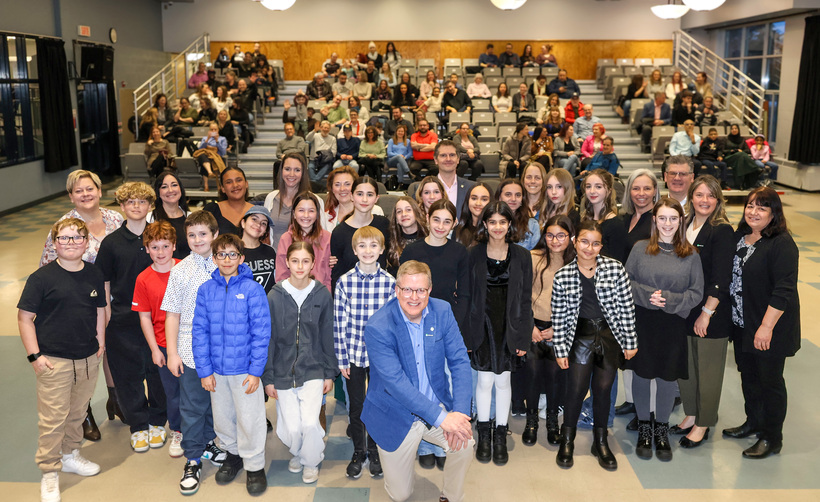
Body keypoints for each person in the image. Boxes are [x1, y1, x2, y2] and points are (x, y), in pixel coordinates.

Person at [361, 258, 473, 501]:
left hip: (436, 405)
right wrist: (443, 419)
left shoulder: (442, 311)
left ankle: (450, 497)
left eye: (421, 290)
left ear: (429, 290)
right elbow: (396, 384)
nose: (414, 297)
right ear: (396, 290)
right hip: (395, 413)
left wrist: (460, 415)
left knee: (465, 443)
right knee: (401, 494)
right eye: (407, 289)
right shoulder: (378, 327)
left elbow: (460, 362)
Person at [19, 218, 107, 502]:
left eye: (77, 237)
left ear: (86, 241)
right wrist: (35, 356)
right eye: (65, 238)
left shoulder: (94, 273)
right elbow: (24, 318)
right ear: (54, 243)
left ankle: (70, 454)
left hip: (87, 357)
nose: (71, 243)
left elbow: (99, 311)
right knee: (53, 418)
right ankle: (49, 471)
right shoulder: (41, 278)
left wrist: (100, 342)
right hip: (53, 360)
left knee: (78, 412)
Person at [551, 220, 638, 471]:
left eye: (596, 243)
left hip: (609, 338)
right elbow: (559, 316)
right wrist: (560, 349)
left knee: (603, 389)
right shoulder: (563, 275)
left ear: (601, 246)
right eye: (585, 242)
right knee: (576, 389)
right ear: (575, 241)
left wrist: (630, 342)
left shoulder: (616, 269)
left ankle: (600, 441)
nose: (589, 248)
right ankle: (567, 439)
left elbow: (626, 309)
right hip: (580, 337)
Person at [625, 197, 704, 462]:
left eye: (673, 218)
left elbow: (696, 293)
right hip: (643, 320)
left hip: (673, 322)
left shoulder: (691, 254)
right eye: (662, 218)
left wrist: (669, 300)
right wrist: (648, 296)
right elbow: (626, 282)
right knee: (642, 373)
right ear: (654, 221)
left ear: (681, 221)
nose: (667, 223)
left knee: (667, 377)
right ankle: (644, 427)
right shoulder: (640, 249)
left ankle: (661, 428)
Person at [723, 187, 800, 458]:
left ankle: (771, 437)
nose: (754, 212)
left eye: (762, 208)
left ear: (773, 213)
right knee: (749, 377)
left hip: (769, 326)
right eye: (750, 206)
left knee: (770, 381)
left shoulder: (781, 243)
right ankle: (753, 422)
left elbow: (784, 290)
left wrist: (766, 327)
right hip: (742, 323)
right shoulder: (739, 237)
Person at [192, 234, 271, 495]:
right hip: (216, 371)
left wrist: (255, 371)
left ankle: (255, 465)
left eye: (233, 254)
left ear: (241, 257)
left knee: (251, 419)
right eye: (221, 255)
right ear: (214, 258)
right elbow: (199, 331)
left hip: (245, 370)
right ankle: (233, 455)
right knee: (223, 419)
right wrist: (205, 371)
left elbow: (262, 333)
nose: (227, 259)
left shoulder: (252, 289)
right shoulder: (205, 290)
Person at [95, 182, 168, 453]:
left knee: (158, 370)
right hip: (124, 318)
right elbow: (104, 283)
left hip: (159, 318)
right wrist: (108, 319)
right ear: (122, 207)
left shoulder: (159, 238)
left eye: (141, 201)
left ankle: (159, 420)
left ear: (150, 206)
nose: (136, 206)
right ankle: (138, 424)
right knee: (128, 375)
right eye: (130, 202)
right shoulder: (112, 243)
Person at [161, 211, 228, 495]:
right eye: (192, 235)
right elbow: (172, 315)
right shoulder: (179, 271)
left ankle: (210, 442)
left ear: (215, 235)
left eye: (203, 234)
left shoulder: (228, 265)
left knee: (218, 402)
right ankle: (192, 458)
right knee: (193, 404)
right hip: (190, 348)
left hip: (225, 347)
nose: (198, 239)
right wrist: (173, 352)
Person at [666, 176, 734, 448]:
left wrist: (707, 312)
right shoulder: (685, 226)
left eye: (710, 196)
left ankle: (703, 423)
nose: (704, 200)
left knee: (707, 371)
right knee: (687, 368)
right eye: (699, 195)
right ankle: (691, 414)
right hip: (685, 309)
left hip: (710, 312)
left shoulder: (721, 230)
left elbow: (721, 276)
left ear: (718, 200)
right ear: (691, 198)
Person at [465, 201, 533, 465]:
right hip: (481, 327)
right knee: (483, 382)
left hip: (510, 328)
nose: (497, 227)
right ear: (484, 224)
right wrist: (468, 335)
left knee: (504, 381)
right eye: (492, 222)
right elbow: (468, 296)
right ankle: (484, 431)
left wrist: (524, 336)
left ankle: (501, 432)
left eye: (502, 222)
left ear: (509, 225)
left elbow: (525, 299)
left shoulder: (521, 255)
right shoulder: (473, 254)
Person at [265, 241, 336, 484]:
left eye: (305, 261)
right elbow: (269, 339)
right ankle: (299, 451)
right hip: (282, 370)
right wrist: (268, 377)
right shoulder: (275, 295)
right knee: (292, 428)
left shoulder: (321, 294)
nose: (300, 266)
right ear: (287, 262)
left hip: (313, 368)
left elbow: (328, 335)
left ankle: (311, 460)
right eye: (295, 261)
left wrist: (329, 372)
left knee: (309, 422)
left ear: (313, 264)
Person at [333, 226, 397, 479]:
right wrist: (342, 358)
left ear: (382, 250)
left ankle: (376, 449)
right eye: (362, 246)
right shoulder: (344, 282)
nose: (368, 251)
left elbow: (394, 324)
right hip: (354, 354)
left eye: (373, 246)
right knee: (357, 405)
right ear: (354, 250)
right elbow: (339, 324)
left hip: (382, 356)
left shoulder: (390, 283)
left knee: (380, 403)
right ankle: (359, 450)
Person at [133, 220, 183, 460]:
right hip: (163, 344)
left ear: (174, 246)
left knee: (196, 390)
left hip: (192, 342)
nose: (160, 252)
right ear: (146, 248)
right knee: (172, 393)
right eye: (154, 247)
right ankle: (178, 431)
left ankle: (204, 430)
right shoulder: (143, 279)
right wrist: (155, 349)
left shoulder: (186, 270)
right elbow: (144, 318)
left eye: (165, 246)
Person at [522, 215, 573, 448]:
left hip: (560, 329)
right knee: (531, 376)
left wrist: (559, 329)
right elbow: (521, 296)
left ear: (570, 237)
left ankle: (553, 421)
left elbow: (579, 302)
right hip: (533, 327)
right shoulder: (533, 258)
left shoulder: (576, 262)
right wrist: (529, 326)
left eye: (561, 235)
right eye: (550, 235)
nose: (555, 240)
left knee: (555, 378)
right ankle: (531, 421)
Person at [402, 199, 470, 331]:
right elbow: (403, 290)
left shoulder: (460, 252)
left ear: (454, 223)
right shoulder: (411, 251)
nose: (440, 226)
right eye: (436, 220)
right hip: (415, 319)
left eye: (447, 222)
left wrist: (454, 325)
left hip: (447, 319)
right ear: (428, 218)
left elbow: (464, 294)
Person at [330, 177, 390, 291]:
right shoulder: (339, 232)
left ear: (377, 198)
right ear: (351, 196)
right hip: (352, 295)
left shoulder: (384, 224)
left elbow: (392, 260)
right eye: (360, 194)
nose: (364, 199)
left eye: (370, 194)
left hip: (381, 292)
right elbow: (337, 275)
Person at [276, 191, 332, 291]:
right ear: (294, 213)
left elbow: (328, 276)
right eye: (301, 210)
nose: (306, 215)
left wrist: (326, 297)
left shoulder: (327, 238)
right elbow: (281, 275)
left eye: (311, 211)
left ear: (317, 214)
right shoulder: (285, 238)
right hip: (292, 295)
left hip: (319, 294)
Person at [264, 152, 316, 249]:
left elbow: (322, 235)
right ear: (281, 171)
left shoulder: (314, 200)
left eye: (297, 170)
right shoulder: (271, 198)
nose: (291, 174)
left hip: (304, 261)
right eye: (287, 169)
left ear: (303, 173)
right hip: (276, 259)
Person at [580, 169, 627, 263]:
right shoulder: (583, 220)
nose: (592, 191)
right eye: (588, 186)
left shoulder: (616, 225)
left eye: (598, 187)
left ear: (609, 191)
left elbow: (617, 263)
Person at [322, 167, 384, 231]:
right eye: (337, 185)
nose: (342, 189)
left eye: (347, 184)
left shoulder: (376, 211)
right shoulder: (325, 216)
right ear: (332, 189)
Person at [148, 171, 191, 259]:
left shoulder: (191, 217)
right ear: (158, 192)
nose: (170, 190)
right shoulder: (150, 219)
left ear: (180, 189)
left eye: (174, 185)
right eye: (164, 187)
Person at [203, 167, 253, 237]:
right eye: (229, 182)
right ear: (223, 188)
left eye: (239, 180)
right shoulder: (211, 210)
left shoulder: (257, 212)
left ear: (246, 184)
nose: (235, 185)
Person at [239, 206, 277, 294]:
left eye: (264, 223)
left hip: (267, 306)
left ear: (265, 231)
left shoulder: (271, 251)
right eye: (254, 219)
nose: (258, 224)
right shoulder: (232, 252)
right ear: (243, 223)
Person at [387, 196, 428, 276]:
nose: (404, 214)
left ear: (416, 213)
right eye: (399, 211)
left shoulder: (429, 238)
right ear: (396, 219)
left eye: (408, 210)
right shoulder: (390, 241)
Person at [497, 179, 540, 250]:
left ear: (522, 199)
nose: (513, 199)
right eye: (508, 194)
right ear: (499, 198)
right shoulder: (490, 222)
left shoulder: (532, 225)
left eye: (518, 195)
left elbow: (536, 255)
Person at [454, 182, 494, 249]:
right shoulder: (457, 231)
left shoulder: (496, 231)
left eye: (484, 199)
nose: (478, 203)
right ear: (468, 201)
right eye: (474, 198)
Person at [724, 124, 760, 190]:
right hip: (729, 158)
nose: (734, 130)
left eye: (736, 128)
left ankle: (740, 184)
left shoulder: (742, 139)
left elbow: (747, 150)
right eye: (732, 128)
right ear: (730, 130)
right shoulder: (726, 139)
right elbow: (723, 150)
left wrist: (741, 151)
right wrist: (734, 151)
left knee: (740, 160)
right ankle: (755, 168)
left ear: (738, 130)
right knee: (741, 154)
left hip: (739, 159)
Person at [194, 123, 227, 192]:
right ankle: (209, 173)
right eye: (212, 130)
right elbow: (200, 149)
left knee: (204, 161)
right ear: (209, 130)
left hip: (216, 157)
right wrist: (207, 140)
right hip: (206, 155)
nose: (213, 131)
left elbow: (223, 152)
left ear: (218, 130)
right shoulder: (205, 138)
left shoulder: (222, 139)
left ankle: (207, 185)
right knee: (202, 156)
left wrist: (217, 141)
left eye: (215, 129)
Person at [387, 124, 414, 189]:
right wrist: (399, 156)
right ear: (396, 132)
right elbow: (389, 153)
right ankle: (408, 172)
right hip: (392, 160)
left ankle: (400, 183)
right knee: (399, 157)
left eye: (402, 131)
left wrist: (405, 157)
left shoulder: (407, 141)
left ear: (404, 133)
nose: (400, 133)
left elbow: (410, 153)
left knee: (399, 164)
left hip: (403, 161)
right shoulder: (391, 141)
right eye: (399, 131)